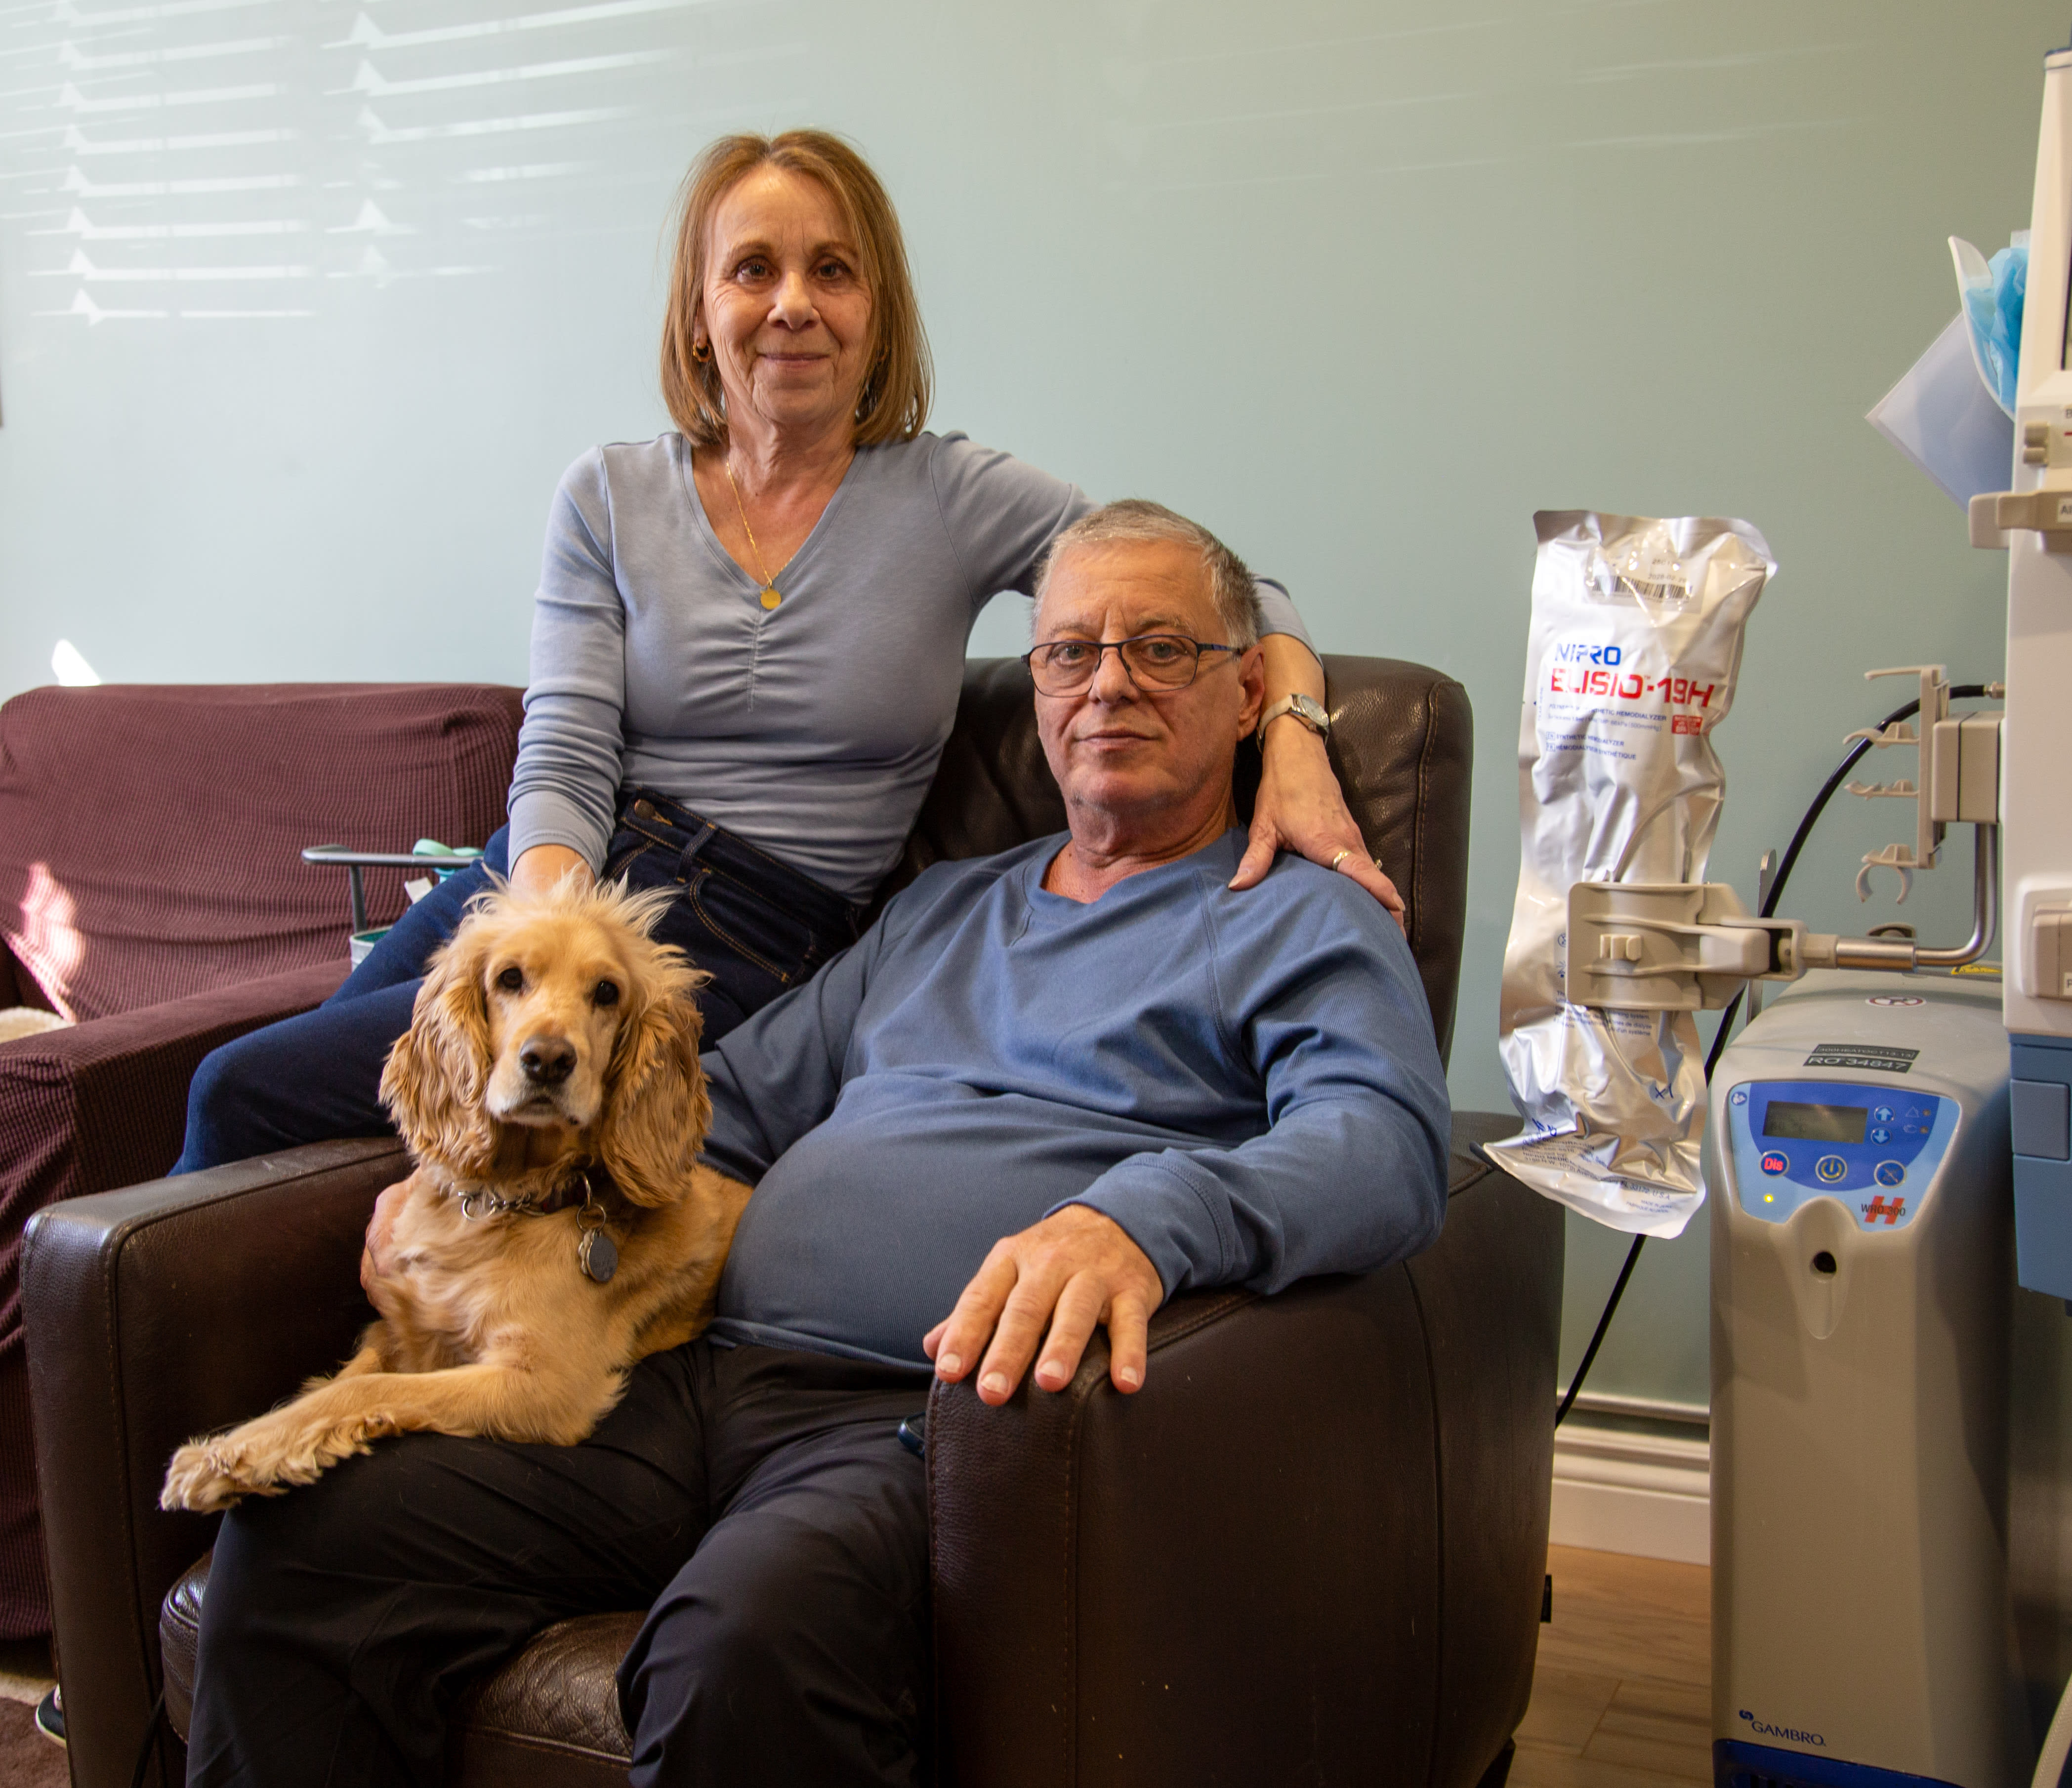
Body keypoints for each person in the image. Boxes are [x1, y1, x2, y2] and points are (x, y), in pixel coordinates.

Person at [184, 501, 1451, 1787]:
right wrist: (464, 1180)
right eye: (1071, 651)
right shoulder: (944, 908)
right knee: (311, 1534)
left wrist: (1140, 1217)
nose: (1107, 682)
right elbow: (723, 1101)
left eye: (1160, 649)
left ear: (1248, 694)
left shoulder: (1297, 916)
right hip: (689, 1371)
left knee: (736, 1644)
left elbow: (1386, 1143)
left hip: (929, 1419)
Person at [172, 128, 1399, 1174]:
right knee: (296, 1106)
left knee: (261, 1095)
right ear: (701, 315)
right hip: (556, 882)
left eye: (832, 270)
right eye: (751, 269)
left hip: (756, 939)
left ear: (878, 314)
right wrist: (550, 947)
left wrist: (1291, 740)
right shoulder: (606, 495)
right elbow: (564, 748)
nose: (792, 303)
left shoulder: (953, 495)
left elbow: (1235, 591)